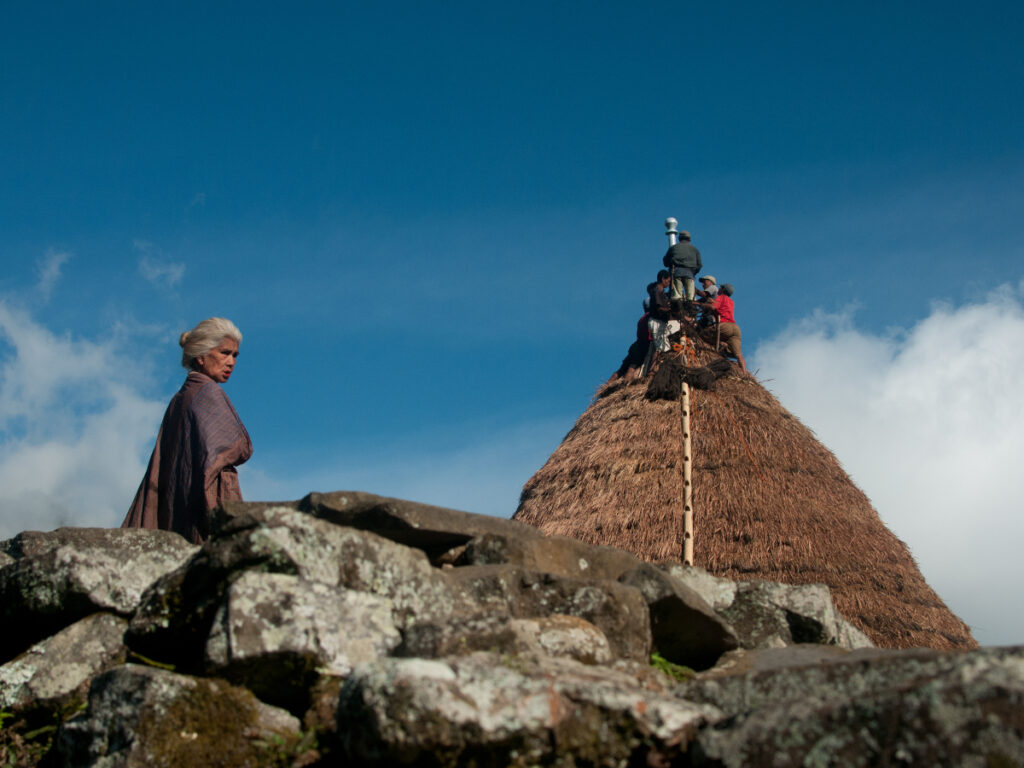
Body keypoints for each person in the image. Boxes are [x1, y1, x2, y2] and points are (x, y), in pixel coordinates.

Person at [122, 317, 253, 543]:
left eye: (235, 355)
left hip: (175, 512)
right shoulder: (208, 393)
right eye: (224, 353)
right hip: (200, 515)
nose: (231, 362)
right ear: (201, 356)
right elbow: (240, 447)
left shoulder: (178, 400)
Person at [700, 283, 746, 372]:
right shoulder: (731, 302)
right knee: (739, 355)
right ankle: (744, 373)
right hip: (735, 328)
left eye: (720, 288)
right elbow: (722, 308)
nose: (719, 290)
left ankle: (721, 343)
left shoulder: (721, 297)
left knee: (702, 335)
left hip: (725, 326)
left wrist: (701, 304)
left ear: (723, 290)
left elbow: (713, 307)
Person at [608, 309, 650, 383]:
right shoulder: (650, 318)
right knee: (632, 367)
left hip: (636, 345)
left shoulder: (642, 318)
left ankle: (606, 386)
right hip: (642, 346)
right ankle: (626, 385)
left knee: (621, 370)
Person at [662, 230, 702, 302]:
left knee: (677, 298)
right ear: (689, 239)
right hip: (690, 274)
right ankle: (689, 308)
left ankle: (679, 309)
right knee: (690, 298)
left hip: (676, 273)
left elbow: (665, 262)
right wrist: (693, 272)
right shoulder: (694, 249)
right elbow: (699, 265)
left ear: (679, 238)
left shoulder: (673, 248)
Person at [646, 270, 672, 372]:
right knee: (660, 347)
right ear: (663, 279)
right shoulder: (658, 290)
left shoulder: (659, 290)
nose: (668, 283)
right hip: (656, 322)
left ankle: (656, 368)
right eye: (668, 281)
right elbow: (659, 307)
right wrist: (670, 309)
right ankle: (653, 370)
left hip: (659, 322)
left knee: (663, 346)